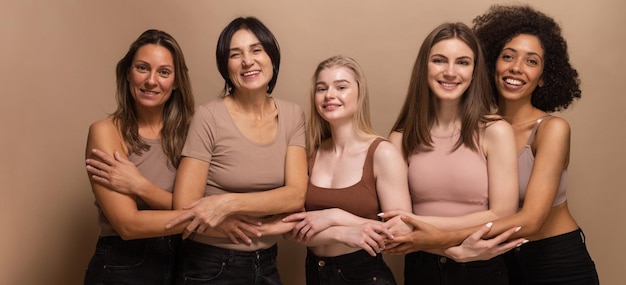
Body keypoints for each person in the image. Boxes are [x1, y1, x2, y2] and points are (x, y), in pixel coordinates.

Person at [165, 17, 308, 285]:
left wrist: (227, 203)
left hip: (266, 263)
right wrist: (263, 223)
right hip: (210, 265)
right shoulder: (208, 116)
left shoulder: (293, 115)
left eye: (256, 50)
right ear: (225, 67)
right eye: (235, 54)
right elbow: (184, 206)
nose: (247, 61)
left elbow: (295, 196)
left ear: (272, 58)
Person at [470, 5, 599, 284]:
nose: (516, 68)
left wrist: (439, 236)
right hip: (499, 261)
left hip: (557, 262)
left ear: (543, 78)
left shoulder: (552, 129)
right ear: (492, 65)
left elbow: (531, 220)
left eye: (532, 61)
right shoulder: (478, 130)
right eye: (508, 57)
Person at [386, 22, 519, 284]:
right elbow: (399, 225)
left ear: (474, 71)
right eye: (439, 60)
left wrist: (426, 229)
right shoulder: (401, 137)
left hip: (482, 266)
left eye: (462, 62)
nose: (450, 72)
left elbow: (503, 213)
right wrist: (453, 249)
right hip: (422, 267)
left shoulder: (496, 131)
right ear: (424, 67)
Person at [280, 55, 412, 284]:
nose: (329, 95)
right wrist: (339, 232)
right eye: (322, 88)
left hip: (364, 275)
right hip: (315, 274)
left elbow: (402, 230)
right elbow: (289, 227)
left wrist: (334, 216)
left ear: (360, 94)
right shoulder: (309, 153)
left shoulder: (382, 153)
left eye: (341, 87)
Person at [83, 29, 195, 284]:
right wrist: (206, 217)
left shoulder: (193, 133)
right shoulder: (106, 132)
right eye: (142, 68)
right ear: (127, 73)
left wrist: (139, 185)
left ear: (176, 81)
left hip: (187, 263)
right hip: (124, 265)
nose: (151, 81)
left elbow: (200, 203)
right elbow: (128, 225)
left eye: (164, 72)